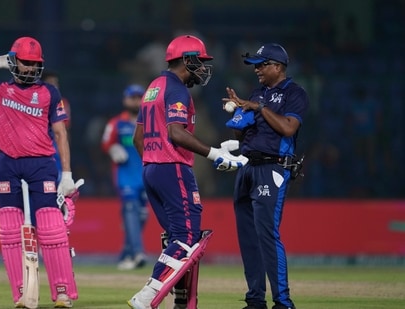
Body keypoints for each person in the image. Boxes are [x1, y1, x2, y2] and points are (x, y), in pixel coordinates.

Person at [0, 36, 78, 308]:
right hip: (7, 164)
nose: (32, 69)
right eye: (26, 63)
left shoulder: (49, 93)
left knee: (51, 229)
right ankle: (21, 293)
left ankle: (62, 292)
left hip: (41, 164)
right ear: (13, 61)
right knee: (10, 231)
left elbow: (60, 133)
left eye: (36, 64)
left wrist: (66, 174)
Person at [128, 34, 247, 309]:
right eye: (201, 62)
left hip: (152, 170)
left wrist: (153, 161)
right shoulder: (178, 89)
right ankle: (148, 296)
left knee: (177, 238)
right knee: (188, 238)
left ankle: (181, 302)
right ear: (187, 60)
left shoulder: (153, 87)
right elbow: (176, 133)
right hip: (173, 169)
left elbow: (138, 138)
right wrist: (214, 153)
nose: (204, 68)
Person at [222, 43, 309, 309]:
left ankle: (283, 302)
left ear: (278, 67)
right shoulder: (257, 93)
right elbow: (241, 134)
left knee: (267, 234)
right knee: (248, 237)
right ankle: (255, 300)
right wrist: (239, 112)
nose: (257, 69)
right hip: (247, 168)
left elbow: (287, 128)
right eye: (255, 65)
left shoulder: (294, 93)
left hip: (272, 169)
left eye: (262, 64)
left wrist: (258, 108)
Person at [101, 84, 149, 271]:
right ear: (125, 100)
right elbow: (106, 143)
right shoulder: (116, 123)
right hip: (125, 177)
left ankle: (126, 254)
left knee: (142, 216)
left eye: (139, 97)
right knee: (131, 209)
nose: (136, 101)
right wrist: (113, 148)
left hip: (145, 175)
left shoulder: (149, 122)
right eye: (132, 97)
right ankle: (137, 253)